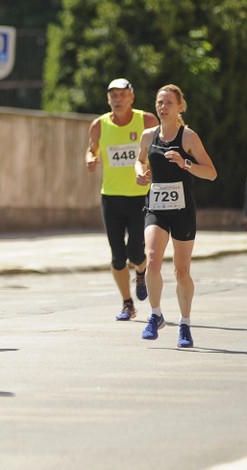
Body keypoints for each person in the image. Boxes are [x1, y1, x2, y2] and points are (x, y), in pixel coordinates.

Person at [135, 84, 217, 348]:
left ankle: (185, 323)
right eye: (160, 102)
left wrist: (186, 164)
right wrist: (141, 173)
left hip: (182, 211)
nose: (163, 107)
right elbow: (140, 160)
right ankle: (156, 315)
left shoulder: (188, 137)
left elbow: (211, 172)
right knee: (151, 259)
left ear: (180, 106)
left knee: (181, 271)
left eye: (169, 102)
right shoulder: (149, 136)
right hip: (156, 207)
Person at [86, 78, 159, 322]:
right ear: (108, 99)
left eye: (121, 95)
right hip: (111, 197)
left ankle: (141, 270)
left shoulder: (146, 121)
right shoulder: (99, 125)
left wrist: (152, 171)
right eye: (112, 96)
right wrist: (90, 158)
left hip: (141, 196)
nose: (117, 100)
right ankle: (128, 304)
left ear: (131, 97)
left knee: (136, 253)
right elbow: (92, 149)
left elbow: (160, 148)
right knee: (117, 256)